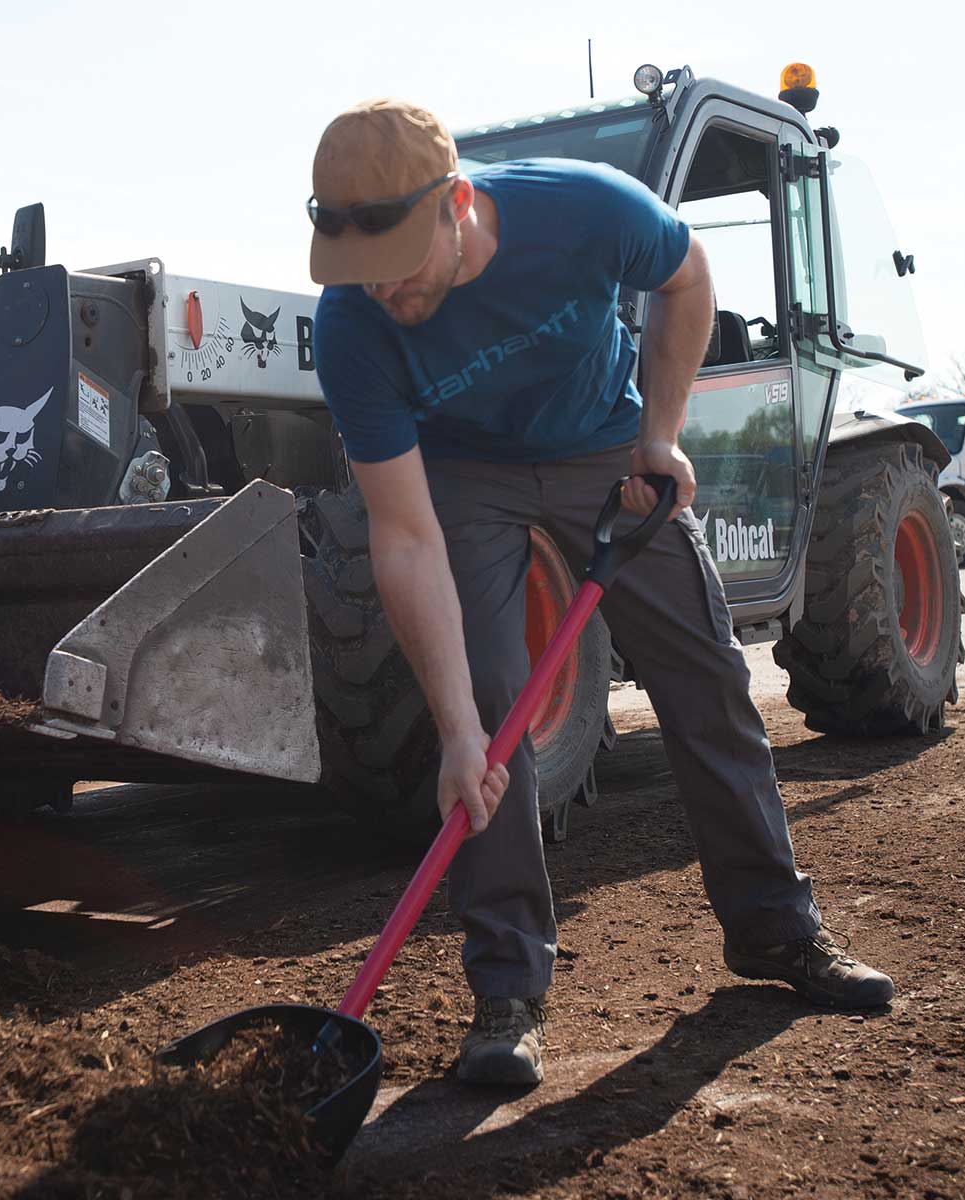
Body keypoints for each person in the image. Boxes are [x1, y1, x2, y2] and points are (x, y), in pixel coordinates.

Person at [308, 98, 893, 1087]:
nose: (385, 290)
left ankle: (774, 929)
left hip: (599, 449)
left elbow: (687, 275)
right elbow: (404, 535)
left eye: (401, 262)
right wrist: (452, 732)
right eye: (362, 273)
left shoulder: (580, 210)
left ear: (459, 206)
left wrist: (660, 437)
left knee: (706, 677)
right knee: (491, 718)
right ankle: (508, 989)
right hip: (462, 477)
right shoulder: (352, 329)